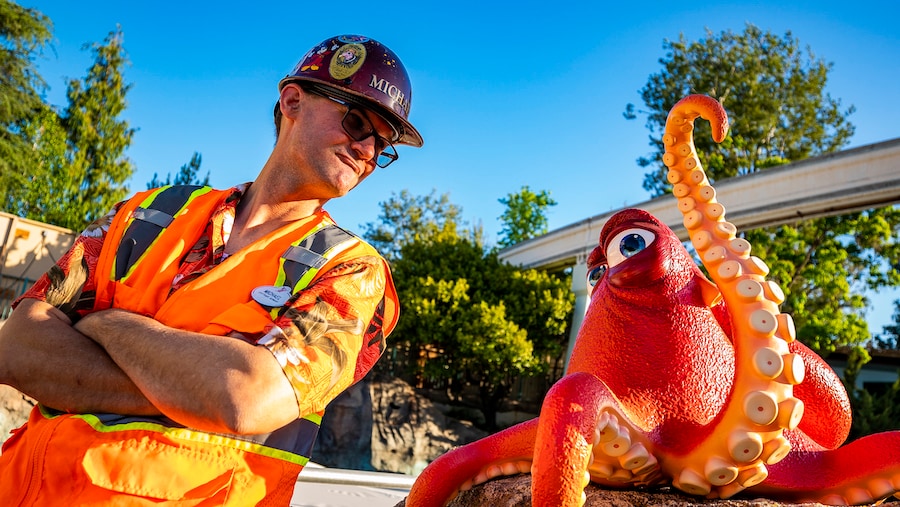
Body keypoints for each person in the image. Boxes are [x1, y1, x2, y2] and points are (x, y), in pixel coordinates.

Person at [0, 34, 423, 506]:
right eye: (357, 121)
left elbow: (245, 398)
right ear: (292, 101)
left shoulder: (352, 273)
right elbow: (17, 347)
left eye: (382, 145)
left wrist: (105, 324)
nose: (366, 149)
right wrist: (191, 390)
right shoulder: (146, 214)